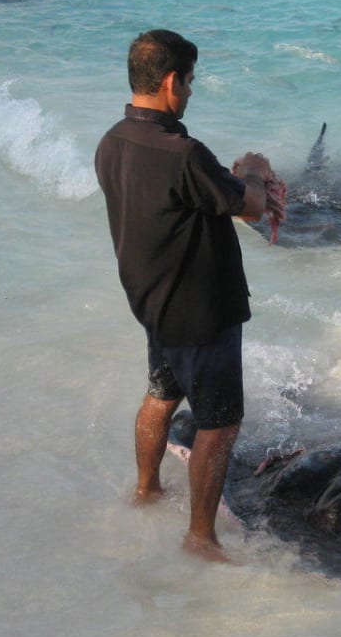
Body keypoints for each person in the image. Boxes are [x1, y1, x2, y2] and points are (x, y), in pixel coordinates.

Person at [94, 29, 282, 561]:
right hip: (202, 312)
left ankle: (147, 489)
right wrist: (255, 171)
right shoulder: (183, 153)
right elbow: (248, 206)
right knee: (219, 426)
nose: (192, 93)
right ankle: (201, 538)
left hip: (154, 304)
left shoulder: (111, 141)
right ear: (172, 81)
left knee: (160, 395)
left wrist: (235, 179)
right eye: (191, 82)